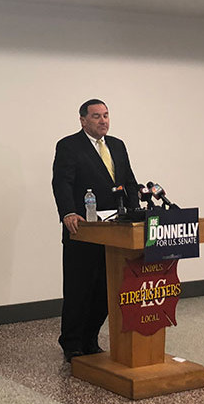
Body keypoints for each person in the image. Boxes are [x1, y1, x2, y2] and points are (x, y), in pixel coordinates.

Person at [51, 99, 139, 363]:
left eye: (106, 115)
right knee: (80, 288)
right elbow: (62, 182)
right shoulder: (69, 145)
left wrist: (135, 214)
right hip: (84, 230)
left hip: (116, 232)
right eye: (97, 116)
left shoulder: (118, 145)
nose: (103, 121)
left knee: (106, 288)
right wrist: (67, 212)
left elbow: (129, 182)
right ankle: (72, 342)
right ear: (83, 120)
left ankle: (90, 338)